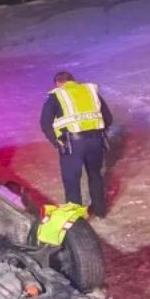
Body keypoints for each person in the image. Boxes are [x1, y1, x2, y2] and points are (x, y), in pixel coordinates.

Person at [39, 72, 114, 219]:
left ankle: (77, 218)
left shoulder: (57, 95)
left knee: (71, 179)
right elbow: (108, 118)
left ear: (58, 83)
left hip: (72, 143)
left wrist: (56, 142)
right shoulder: (90, 91)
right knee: (95, 175)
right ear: (73, 81)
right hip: (96, 140)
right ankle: (100, 212)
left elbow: (45, 123)